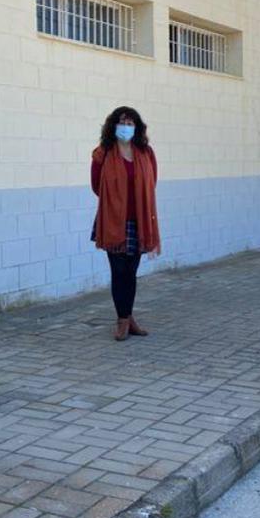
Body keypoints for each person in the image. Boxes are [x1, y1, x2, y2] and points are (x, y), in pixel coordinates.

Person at [90, 106, 160, 342]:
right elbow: (95, 186)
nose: (126, 127)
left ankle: (128, 318)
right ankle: (122, 320)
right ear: (113, 125)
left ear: (137, 127)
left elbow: (152, 182)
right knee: (118, 271)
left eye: (131, 123)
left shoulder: (146, 153)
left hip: (139, 220)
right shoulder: (103, 153)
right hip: (113, 220)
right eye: (122, 122)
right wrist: (116, 202)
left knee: (131, 272)